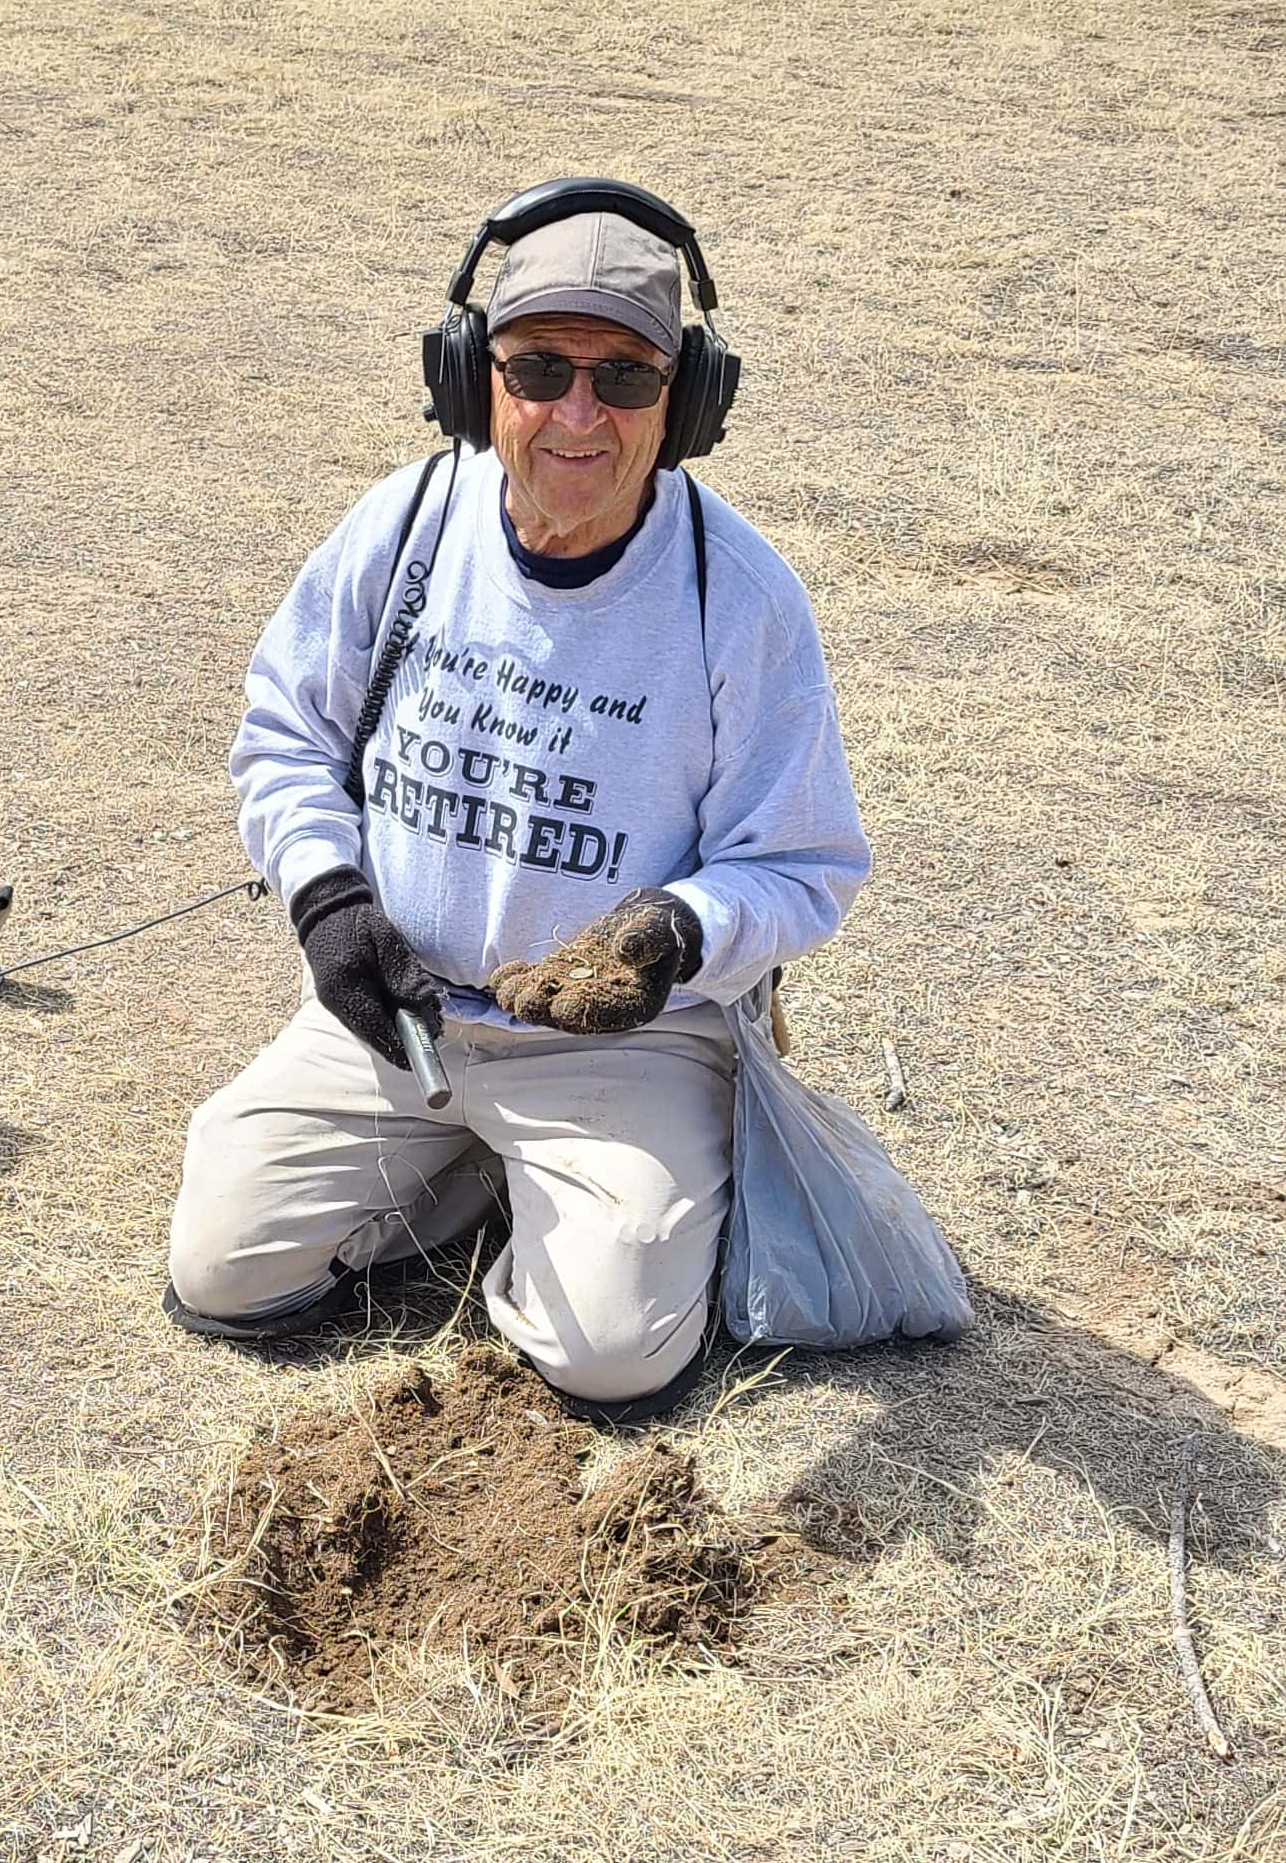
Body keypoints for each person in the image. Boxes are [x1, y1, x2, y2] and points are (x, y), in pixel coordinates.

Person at [166, 179, 871, 1422]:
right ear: (469, 380)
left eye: (628, 378)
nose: (577, 415)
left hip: (625, 1045)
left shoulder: (739, 598)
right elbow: (284, 733)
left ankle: (572, 1190)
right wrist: (331, 905)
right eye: (538, 368)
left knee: (608, 1356)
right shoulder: (404, 527)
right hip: (403, 1010)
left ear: (688, 402)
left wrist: (670, 937)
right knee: (223, 1271)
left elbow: (803, 863)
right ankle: (484, 1172)